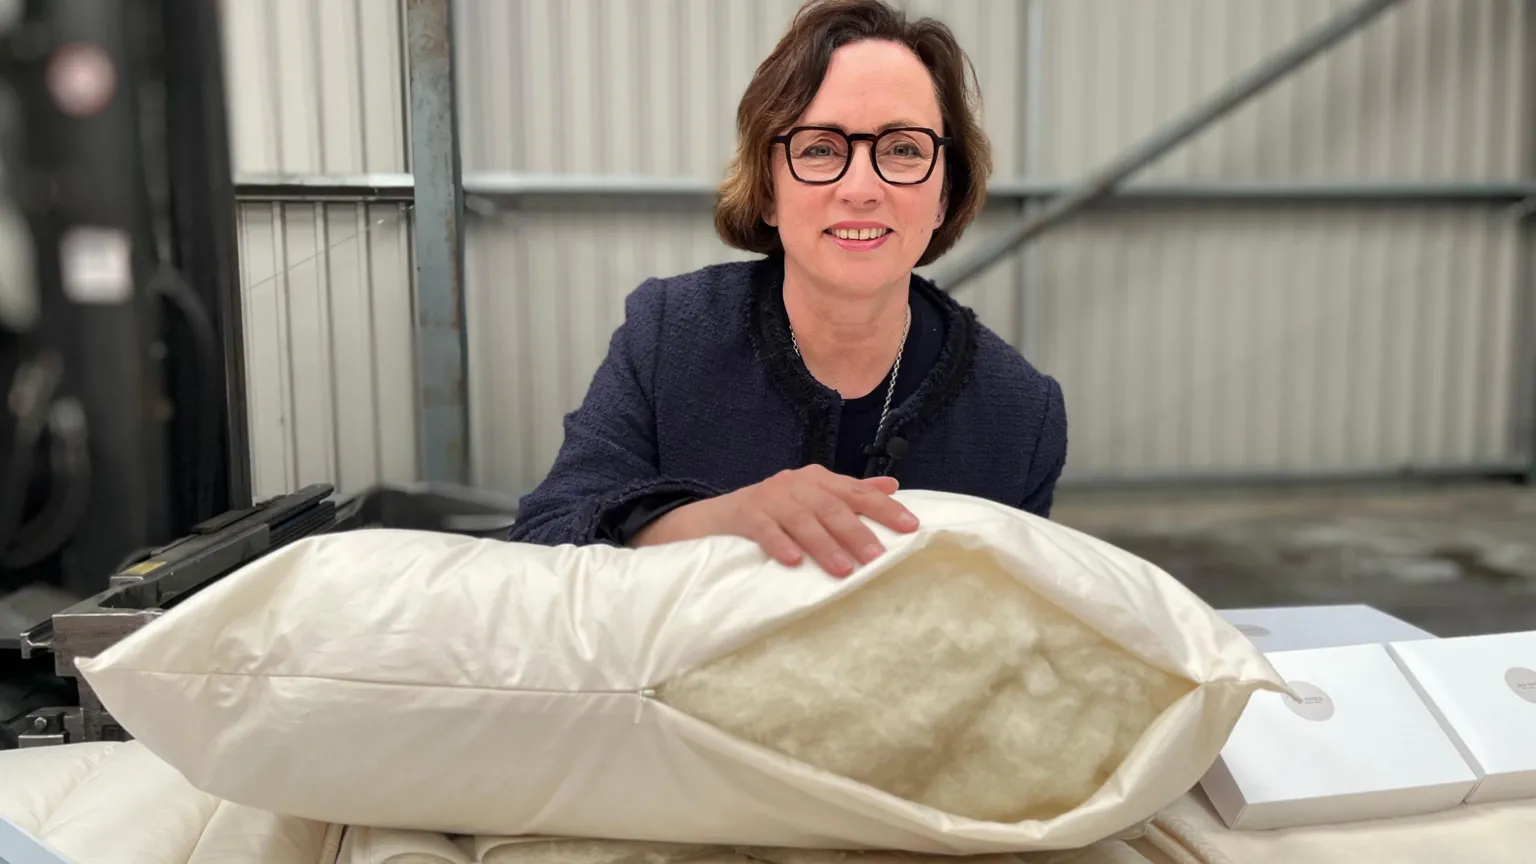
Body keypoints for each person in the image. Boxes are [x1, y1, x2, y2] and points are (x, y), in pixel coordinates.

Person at [509, 0, 1067, 577]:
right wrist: (720, 522)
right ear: (768, 190)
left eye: (903, 149)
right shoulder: (667, 335)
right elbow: (544, 542)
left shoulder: (1022, 415)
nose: (861, 188)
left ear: (944, 196)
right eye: (820, 149)